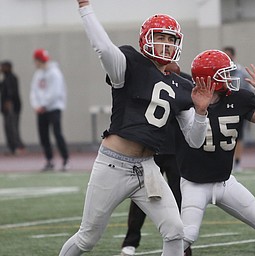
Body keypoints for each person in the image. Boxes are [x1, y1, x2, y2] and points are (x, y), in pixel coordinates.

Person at [59, 1, 213, 256]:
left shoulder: (183, 85)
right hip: (113, 165)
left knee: (176, 230)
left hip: (148, 167)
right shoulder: (129, 63)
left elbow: (195, 141)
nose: (165, 43)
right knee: (88, 237)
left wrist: (201, 112)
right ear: (146, 40)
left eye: (170, 39)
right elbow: (103, 48)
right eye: (160, 37)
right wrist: (85, 7)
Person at [175, 49, 255, 255]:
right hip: (194, 183)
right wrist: (200, 111)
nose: (230, 78)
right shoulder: (186, 102)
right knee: (186, 237)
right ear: (208, 79)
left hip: (225, 181)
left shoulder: (239, 98)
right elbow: (193, 141)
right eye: (224, 73)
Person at [120, 63, 193, 256]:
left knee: (179, 198)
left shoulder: (186, 81)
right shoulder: (146, 79)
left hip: (178, 150)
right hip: (152, 150)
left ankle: (184, 246)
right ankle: (131, 241)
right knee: (141, 196)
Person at [30, 48, 69, 171]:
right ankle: (49, 160)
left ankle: (65, 160)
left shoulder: (54, 73)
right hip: (41, 110)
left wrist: (44, 104)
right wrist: (36, 105)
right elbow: (33, 91)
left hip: (53, 108)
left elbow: (55, 92)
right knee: (43, 136)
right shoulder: (38, 74)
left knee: (57, 134)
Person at [223, 46, 252, 172]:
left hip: (237, 108)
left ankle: (238, 162)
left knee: (238, 137)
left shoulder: (241, 72)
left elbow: (247, 91)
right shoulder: (219, 70)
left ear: (233, 56)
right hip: (222, 108)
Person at [0, 60, 25, 155]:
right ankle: (12, 148)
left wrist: (8, 102)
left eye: (2, 67)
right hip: (6, 108)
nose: (1, 69)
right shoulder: (5, 79)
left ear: (8, 67)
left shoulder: (12, 78)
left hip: (12, 107)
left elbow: (12, 92)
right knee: (8, 127)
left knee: (12, 127)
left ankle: (18, 147)